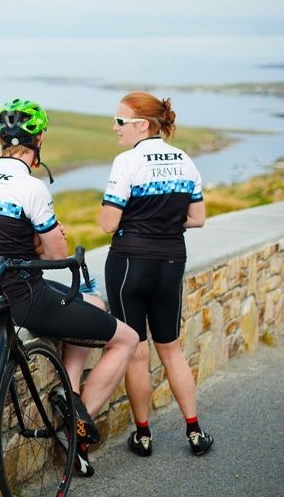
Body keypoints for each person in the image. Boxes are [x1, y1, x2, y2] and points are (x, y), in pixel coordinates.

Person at [0, 98, 139, 474]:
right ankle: (77, 425)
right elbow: (56, 256)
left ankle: (69, 395)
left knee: (93, 302)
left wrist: (35, 243)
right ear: (37, 140)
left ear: (1, 142)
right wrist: (49, 238)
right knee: (127, 339)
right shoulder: (31, 187)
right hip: (27, 298)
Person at [99, 91, 214, 457]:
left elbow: (107, 223)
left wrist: (138, 221)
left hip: (130, 260)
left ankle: (144, 435)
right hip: (170, 261)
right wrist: (162, 222)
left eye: (120, 121)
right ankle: (195, 431)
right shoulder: (185, 160)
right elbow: (197, 219)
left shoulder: (126, 161)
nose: (114, 128)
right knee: (172, 349)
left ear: (142, 125)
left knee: (135, 352)